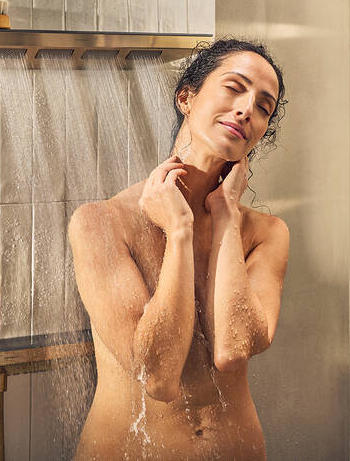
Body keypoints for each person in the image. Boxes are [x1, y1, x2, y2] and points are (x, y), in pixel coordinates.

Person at [69, 39, 290, 460]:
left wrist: (226, 215)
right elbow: (157, 375)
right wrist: (180, 231)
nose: (247, 109)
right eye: (234, 87)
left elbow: (232, 349)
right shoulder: (102, 223)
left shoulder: (265, 233)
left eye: (264, 106)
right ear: (186, 97)